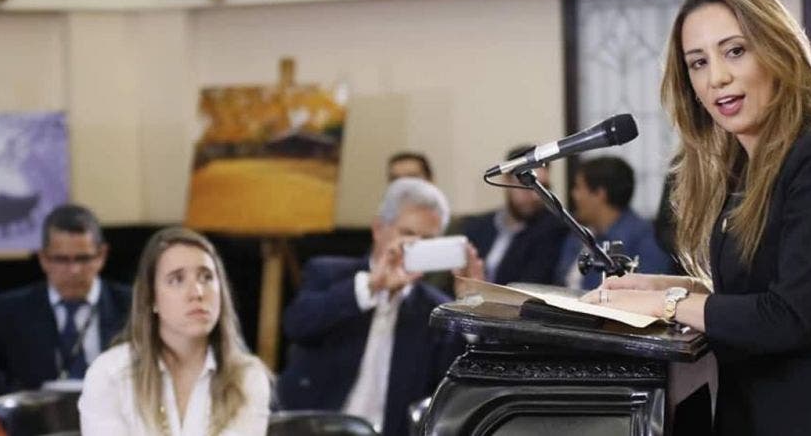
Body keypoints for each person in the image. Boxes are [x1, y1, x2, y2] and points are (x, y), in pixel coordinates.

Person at [581, 0, 811, 435]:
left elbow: (786, 316)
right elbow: (750, 289)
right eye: (698, 62)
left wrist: (665, 303)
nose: (717, 77)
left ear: (778, 51)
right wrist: (658, 285)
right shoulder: (746, 164)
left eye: (735, 51)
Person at [278, 177, 483, 436]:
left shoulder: (435, 308)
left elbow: (456, 381)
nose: (414, 247)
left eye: (428, 240)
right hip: (313, 428)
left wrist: (473, 307)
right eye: (407, 234)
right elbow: (296, 325)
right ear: (378, 229)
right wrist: (372, 286)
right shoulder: (327, 272)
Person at [79, 227, 270, 435]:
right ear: (152, 298)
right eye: (177, 279)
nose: (197, 292)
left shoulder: (246, 377)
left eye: (206, 277)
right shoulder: (109, 375)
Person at [0, 204, 131, 397]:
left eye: (83, 259)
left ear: (101, 255)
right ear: (43, 259)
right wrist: (27, 400)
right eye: (62, 260)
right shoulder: (10, 310)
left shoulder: (131, 305)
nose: (74, 270)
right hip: (37, 422)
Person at [558, 156, 675, 289]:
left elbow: (650, 291)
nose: (574, 195)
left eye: (578, 187)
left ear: (600, 194)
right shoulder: (578, 234)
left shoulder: (647, 238)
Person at [460, 145, 569, 285]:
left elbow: (529, 286)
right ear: (506, 181)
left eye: (543, 187)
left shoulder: (552, 230)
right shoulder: (477, 227)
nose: (536, 196)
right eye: (528, 185)